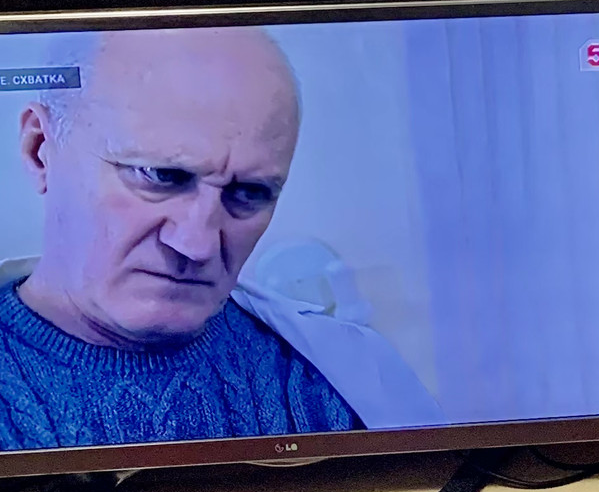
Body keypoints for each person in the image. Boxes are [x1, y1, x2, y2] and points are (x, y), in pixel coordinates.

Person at [0, 29, 431, 452]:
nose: (198, 244)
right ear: (40, 149)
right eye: (160, 176)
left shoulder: (347, 387)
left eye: (250, 193)